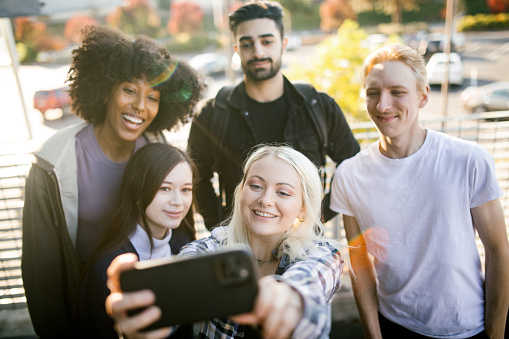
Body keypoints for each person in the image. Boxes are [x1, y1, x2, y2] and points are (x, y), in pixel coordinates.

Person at [21, 25, 204, 338]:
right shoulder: (55, 162)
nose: (140, 106)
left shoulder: (157, 151)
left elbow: (180, 227)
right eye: (130, 90)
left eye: (153, 97)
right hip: (85, 297)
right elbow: (42, 270)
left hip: (144, 290)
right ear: (106, 90)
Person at [330, 43, 509, 338]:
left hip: (466, 327)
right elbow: (360, 266)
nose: (383, 105)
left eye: (397, 92)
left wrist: (496, 334)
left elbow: (499, 252)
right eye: (373, 93)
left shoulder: (468, 159)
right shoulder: (349, 174)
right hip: (394, 324)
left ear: (423, 96)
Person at [105, 145, 347, 339]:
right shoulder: (212, 245)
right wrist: (152, 314)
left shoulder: (324, 253)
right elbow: (188, 271)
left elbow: (309, 283)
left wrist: (290, 298)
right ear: (241, 192)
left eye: (282, 192)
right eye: (255, 186)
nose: (265, 200)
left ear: (303, 209)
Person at [187, 0, 360, 230]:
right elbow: (196, 178)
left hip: (304, 245)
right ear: (237, 49)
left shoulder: (320, 107)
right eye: (247, 44)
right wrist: (222, 226)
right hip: (239, 249)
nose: (258, 52)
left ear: (283, 44)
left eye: (267, 41)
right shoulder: (211, 115)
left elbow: (352, 166)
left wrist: (315, 217)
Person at [78, 143, 196, 338]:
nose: (178, 201)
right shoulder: (107, 269)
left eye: (186, 189)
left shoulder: (184, 246)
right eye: (165, 188)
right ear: (138, 194)